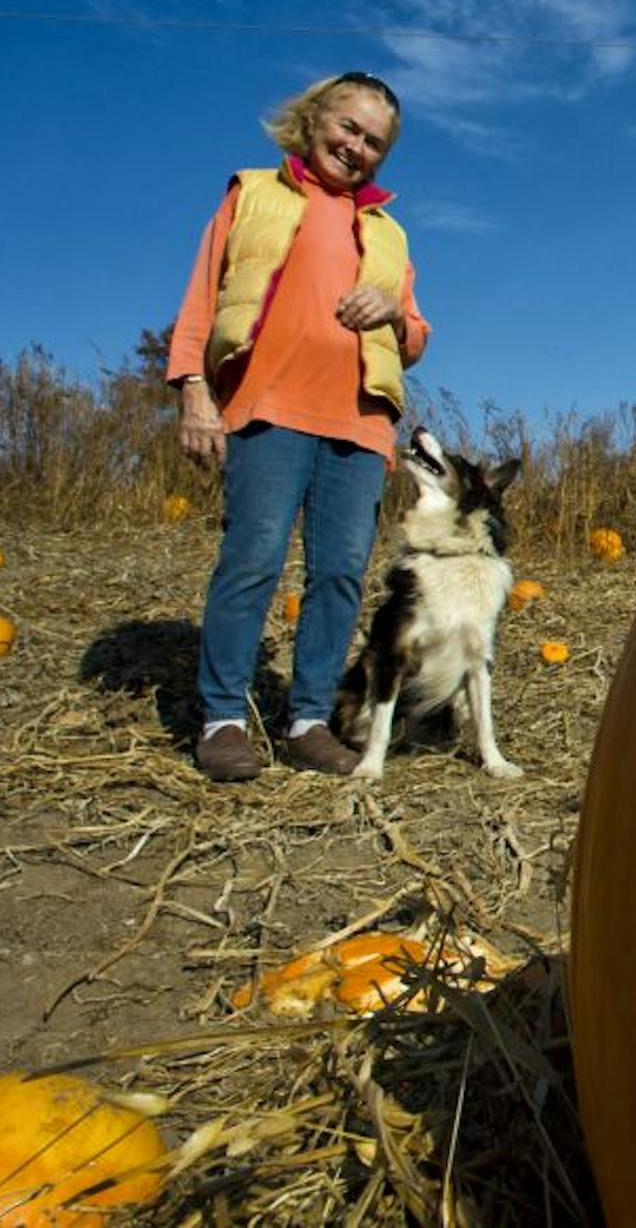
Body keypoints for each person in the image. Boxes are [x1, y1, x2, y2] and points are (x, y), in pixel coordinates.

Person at [165, 71, 430, 782]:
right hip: (269, 406)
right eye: (348, 127)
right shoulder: (254, 194)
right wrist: (194, 390)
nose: (358, 147)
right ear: (314, 119)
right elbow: (202, 298)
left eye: (375, 142)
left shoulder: (388, 232)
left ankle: (308, 719)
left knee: (340, 574)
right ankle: (222, 718)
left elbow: (415, 334)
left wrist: (393, 313)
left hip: (360, 421)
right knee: (252, 562)